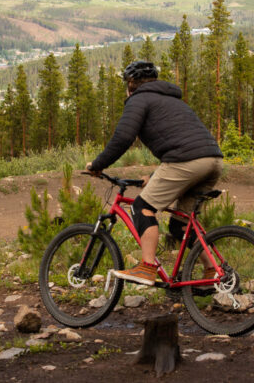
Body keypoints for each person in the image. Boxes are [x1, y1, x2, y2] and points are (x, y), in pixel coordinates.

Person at [86, 60, 223, 285]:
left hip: (186, 162)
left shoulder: (138, 100)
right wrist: (156, 175)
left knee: (142, 207)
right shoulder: (173, 100)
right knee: (181, 225)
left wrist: (99, 164)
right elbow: (180, 140)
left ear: (131, 84)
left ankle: (147, 267)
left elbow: (123, 138)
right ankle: (212, 272)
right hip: (213, 160)